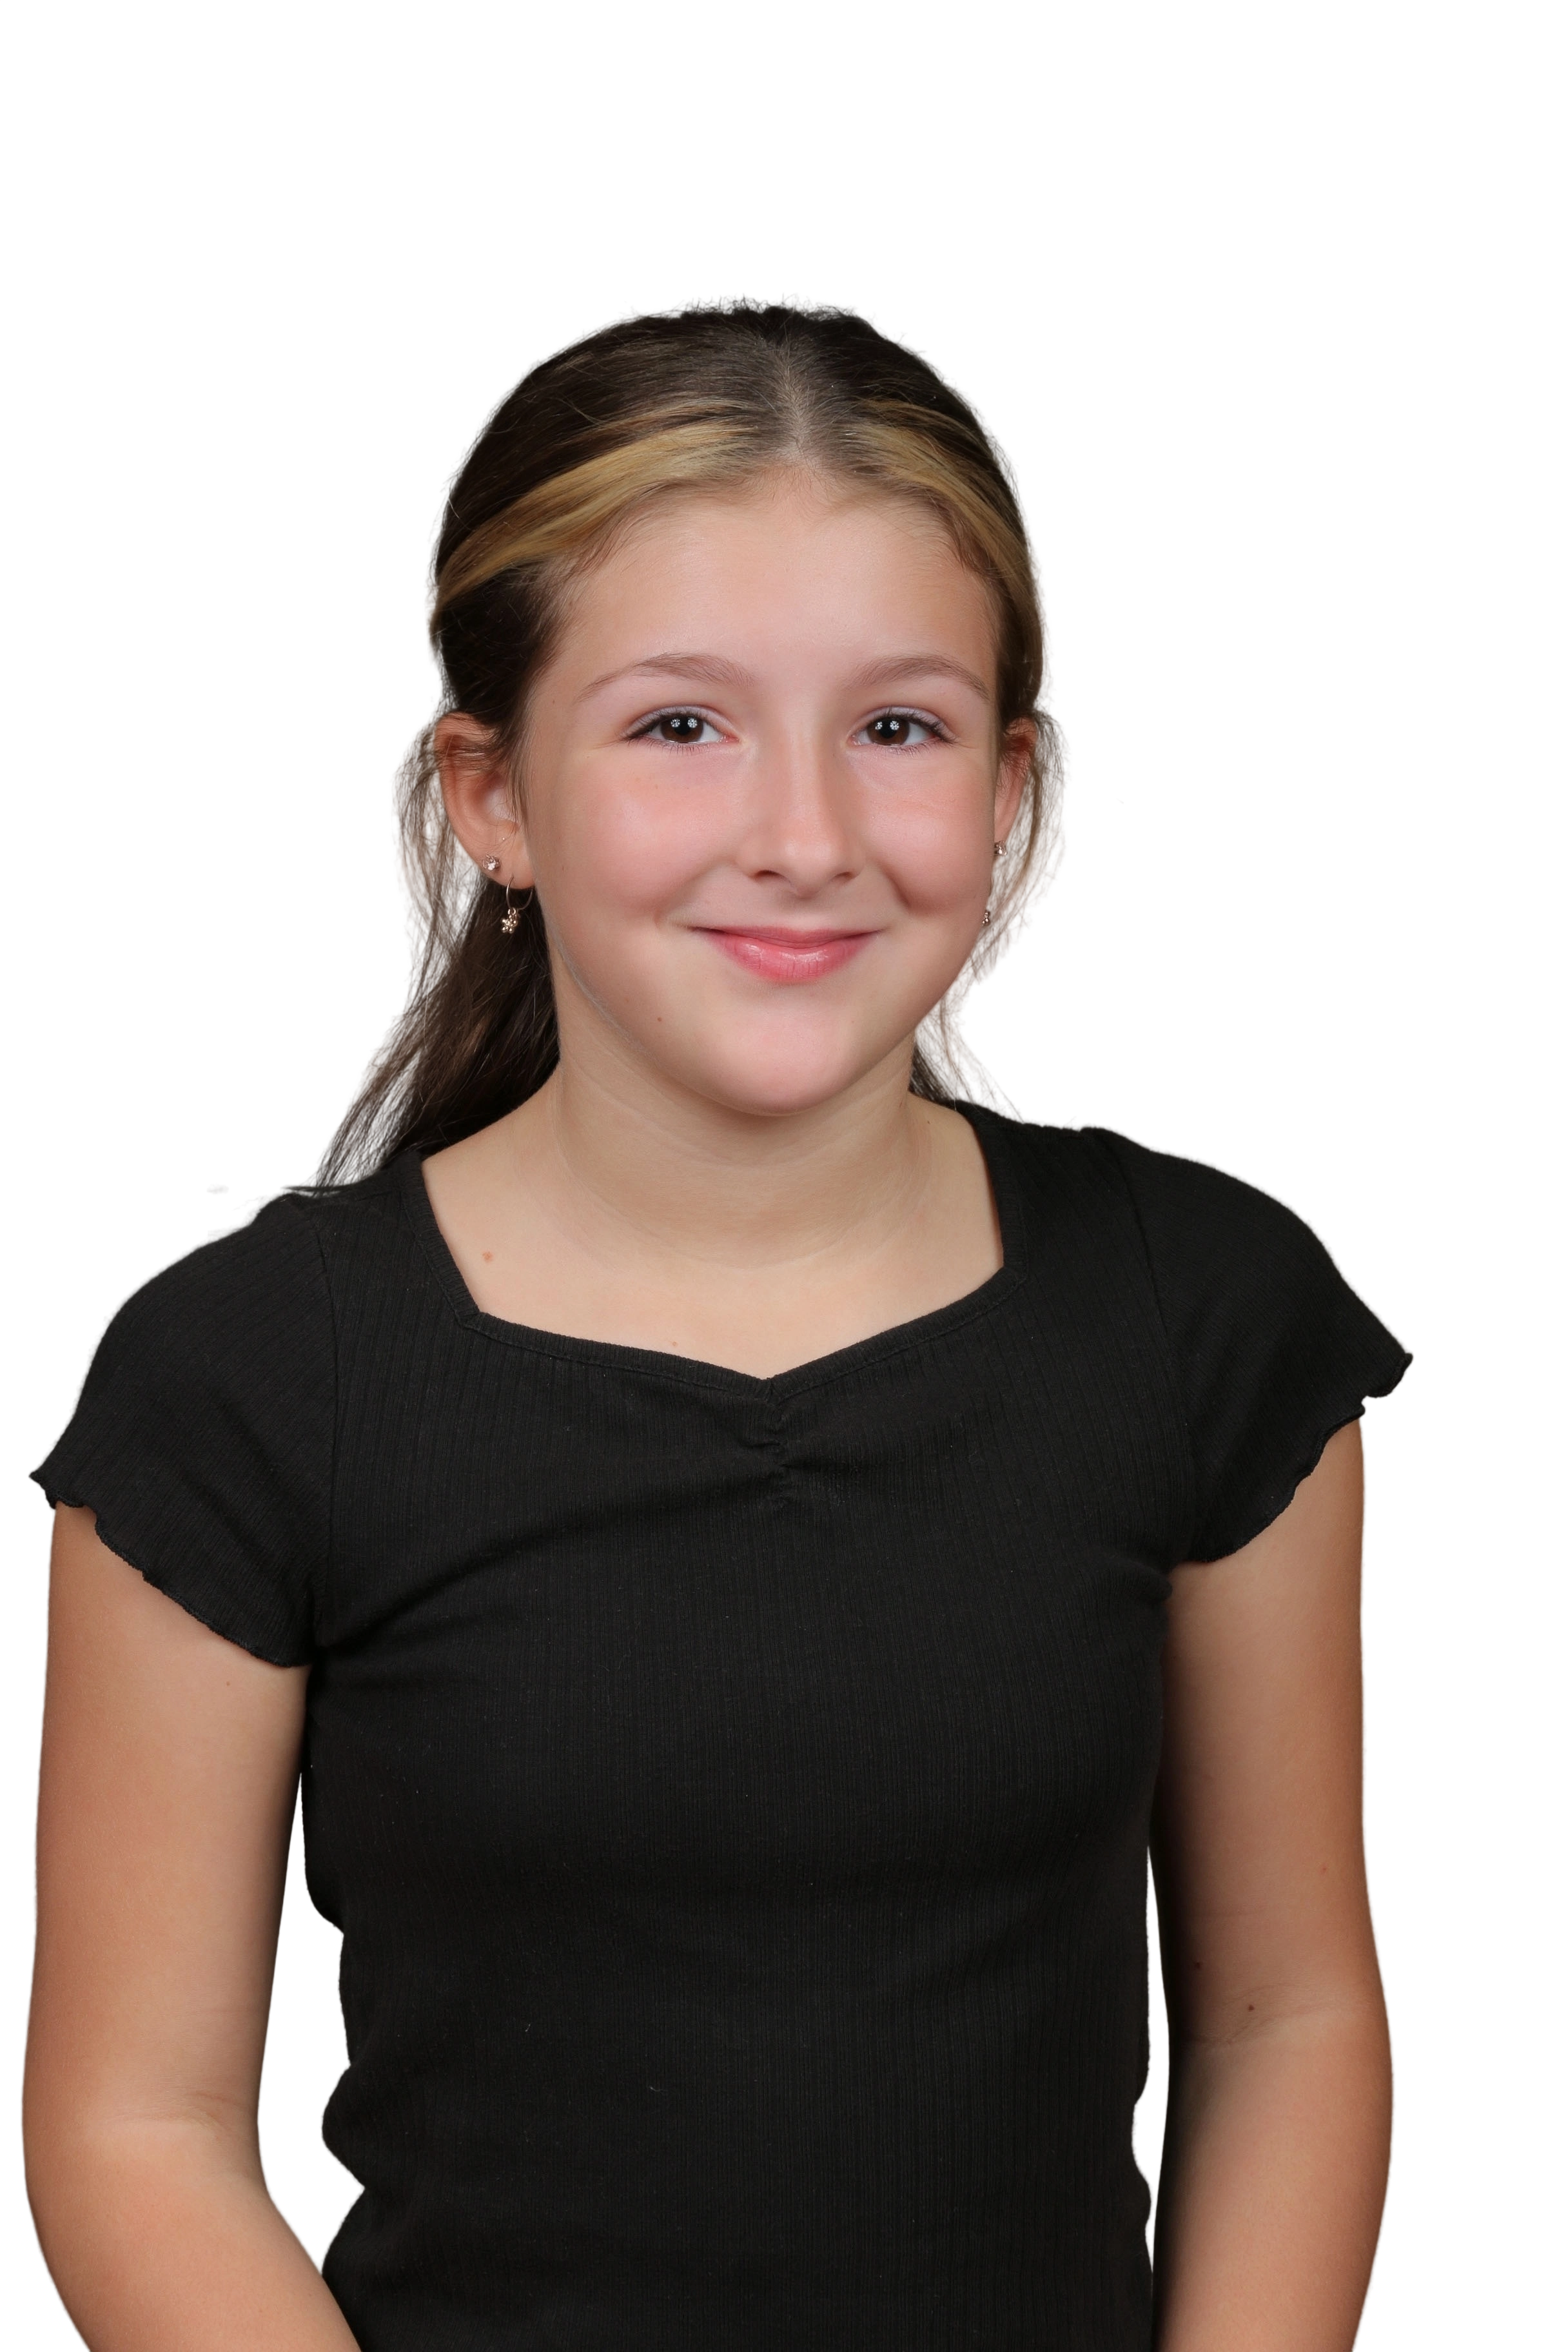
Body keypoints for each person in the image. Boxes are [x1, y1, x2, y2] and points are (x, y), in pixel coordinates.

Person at [21, 291, 1415, 2352]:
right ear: (491, 795)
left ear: (1008, 788)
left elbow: (1287, 2016)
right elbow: (135, 2125)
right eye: (682, 726)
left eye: (898, 728)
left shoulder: (1207, 1319)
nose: (804, 837)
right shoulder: (238, 1388)